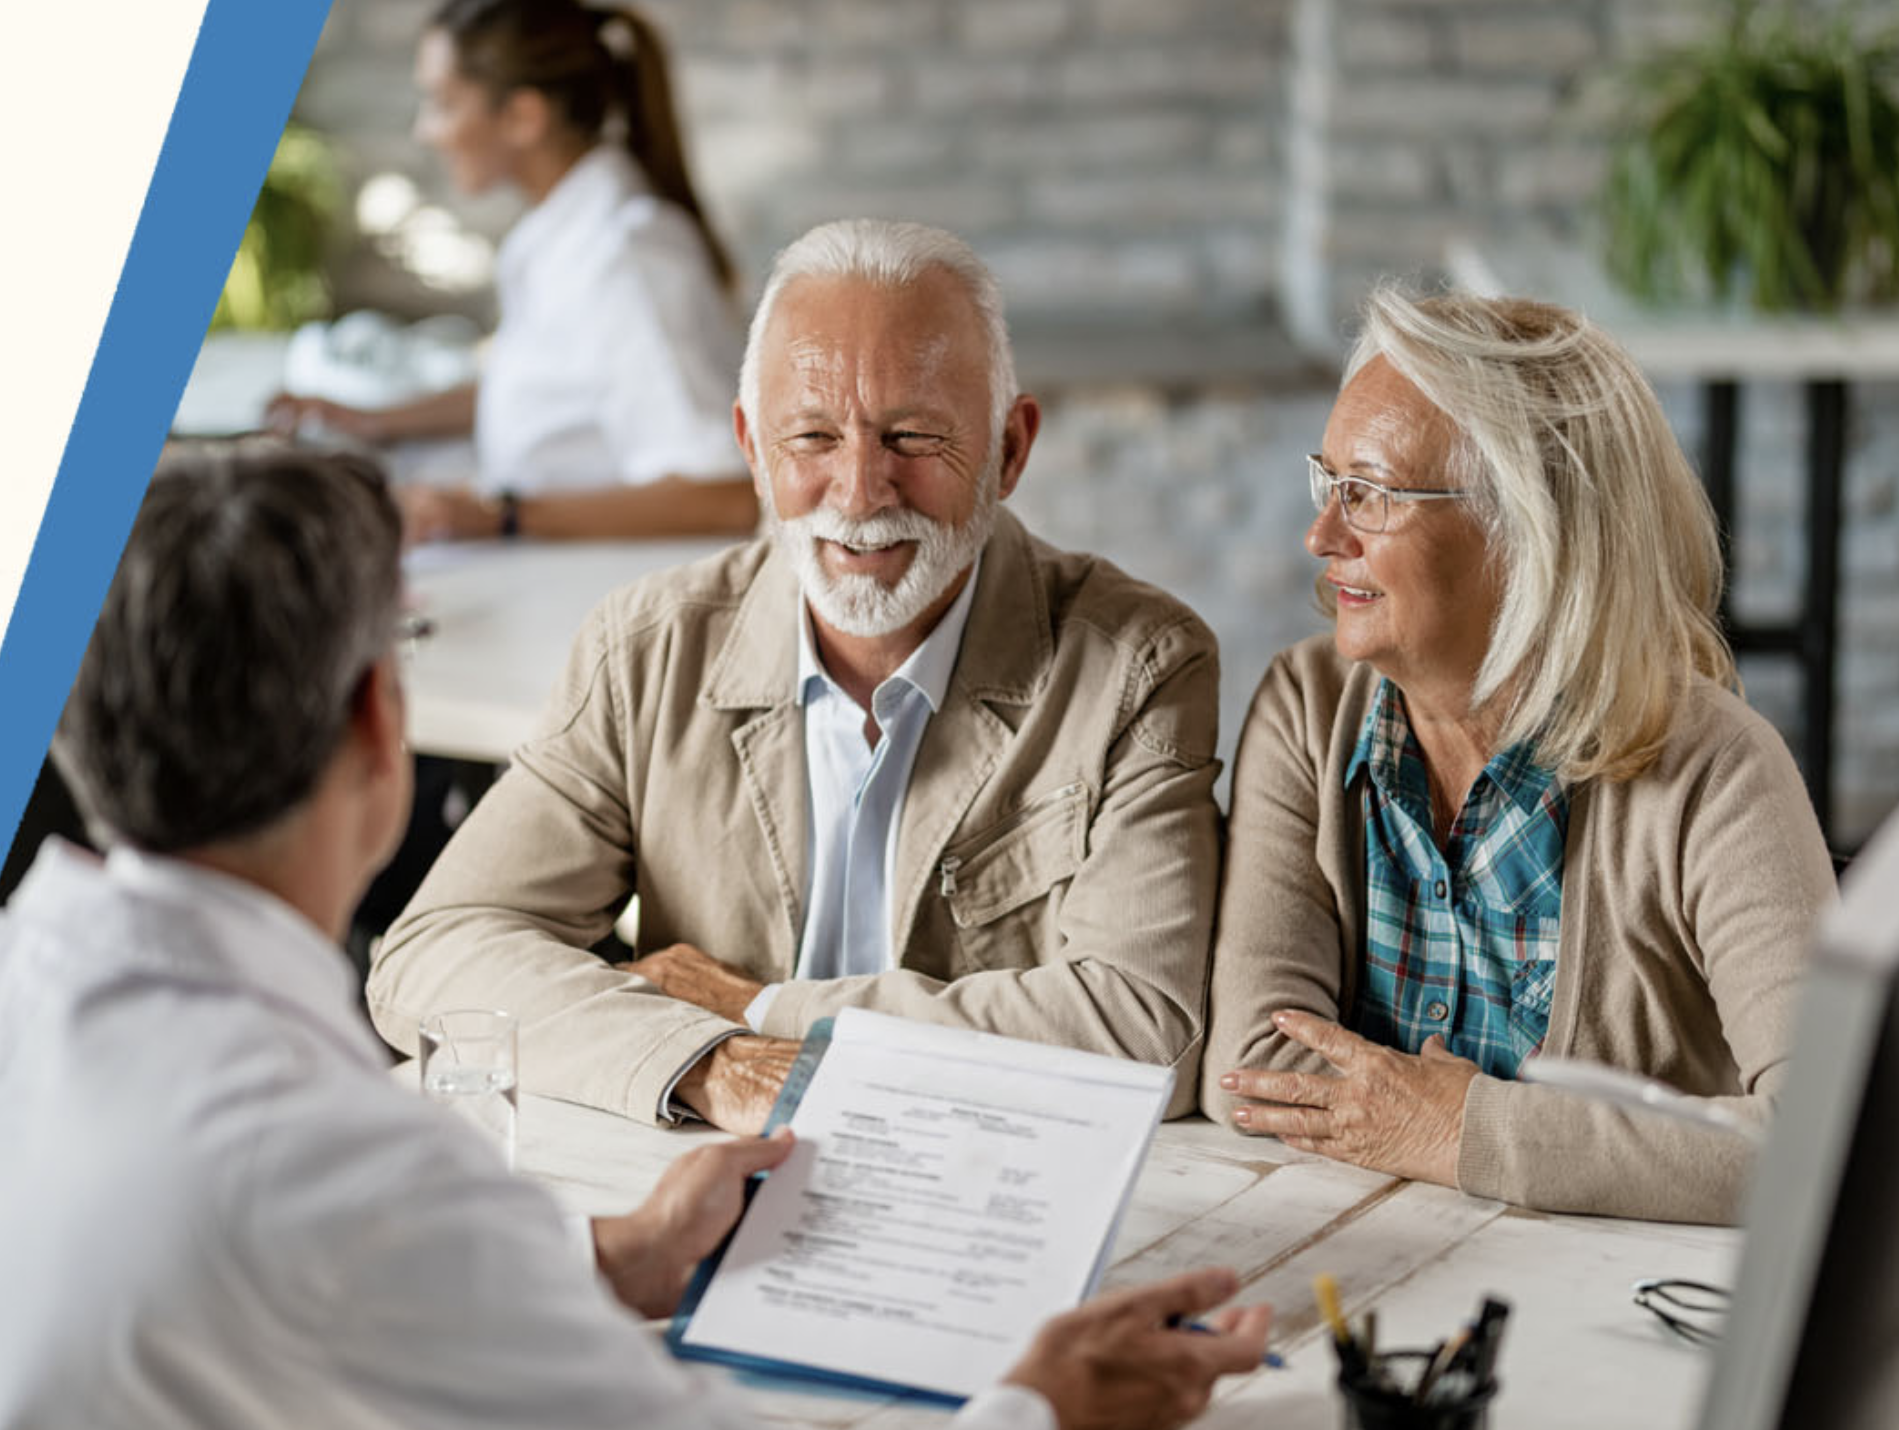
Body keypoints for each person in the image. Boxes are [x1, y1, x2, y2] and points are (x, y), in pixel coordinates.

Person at [0, 443, 1269, 1429]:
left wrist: (614, 1253)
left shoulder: (36, 990)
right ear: (384, 723)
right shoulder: (346, 1162)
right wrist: (1042, 1405)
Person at [367, 219, 1223, 1131]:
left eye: (914, 436)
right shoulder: (647, 649)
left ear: (1011, 450)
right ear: (751, 448)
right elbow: (435, 954)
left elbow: (1147, 1036)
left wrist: (758, 1011)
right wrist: (711, 1065)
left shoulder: (1140, 666)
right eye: (812, 437)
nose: (859, 492)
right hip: (702, 1179)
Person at [1203, 289, 1837, 1225]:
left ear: (1524, 530)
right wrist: (1545, 1140)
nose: (1322, 536)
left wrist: (1468, 1131)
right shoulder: (1306, 711)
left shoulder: (1720, 774)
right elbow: (1251, 1073)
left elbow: (1828, 1143)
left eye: (1369, 494)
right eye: (1326, 482)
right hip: (1369, 1267)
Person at [266, 0, 755, 542]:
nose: (426, 131)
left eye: (443, 103)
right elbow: (536, 390)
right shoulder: (557, 234)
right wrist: (373, 421)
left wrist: (500, 515)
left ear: (523, 116)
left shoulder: (628, 261)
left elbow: (727, 496)